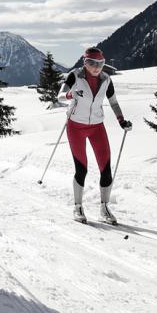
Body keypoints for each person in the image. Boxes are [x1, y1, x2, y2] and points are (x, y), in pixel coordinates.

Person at [61, 47, 133, 224]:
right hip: (76, 126)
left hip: (96, 127)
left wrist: (122, 120)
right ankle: (77, 207)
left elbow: (114, 102)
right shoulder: (75, 76)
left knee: (106, 168)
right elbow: (60, 97)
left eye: (100, 63)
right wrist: (71, 94)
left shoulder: (106, 80)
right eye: (91, 63)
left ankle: (104, 208)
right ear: (85, 63)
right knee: (81, 169)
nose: (96, 67)